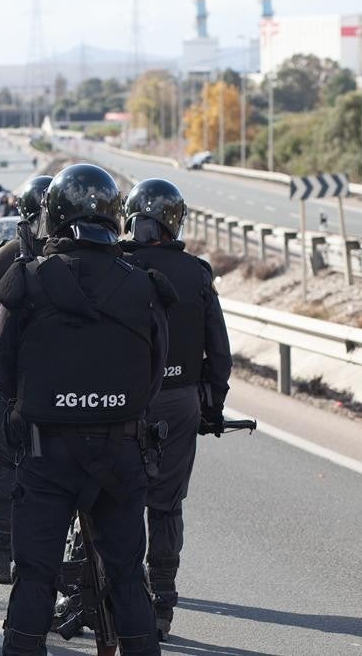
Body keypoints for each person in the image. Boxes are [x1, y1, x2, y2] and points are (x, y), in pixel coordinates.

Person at [0, 163, 171, 655]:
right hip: (122, 450)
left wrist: (34, 406)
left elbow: (0, 365)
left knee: (35, 580)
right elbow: (156, 368)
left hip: (47, 455)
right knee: (129, 580)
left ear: (53, 214)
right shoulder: (141, 284)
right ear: (115, 217)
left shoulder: (25, 279)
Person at [121, 178, 232, 640]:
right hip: (181, 400)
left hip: (122, 402)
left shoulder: (117, 266)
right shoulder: (197, 273)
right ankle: (162, 603)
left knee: (114, 500)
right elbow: (219, 352)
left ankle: (113, 596)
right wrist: (212, 404)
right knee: (165, 505)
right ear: (173, 222)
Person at [0, 175, 52, 585]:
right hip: (57, 380)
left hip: (13, 380)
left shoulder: (3, 258)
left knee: (5, 462)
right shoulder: (71, 257)